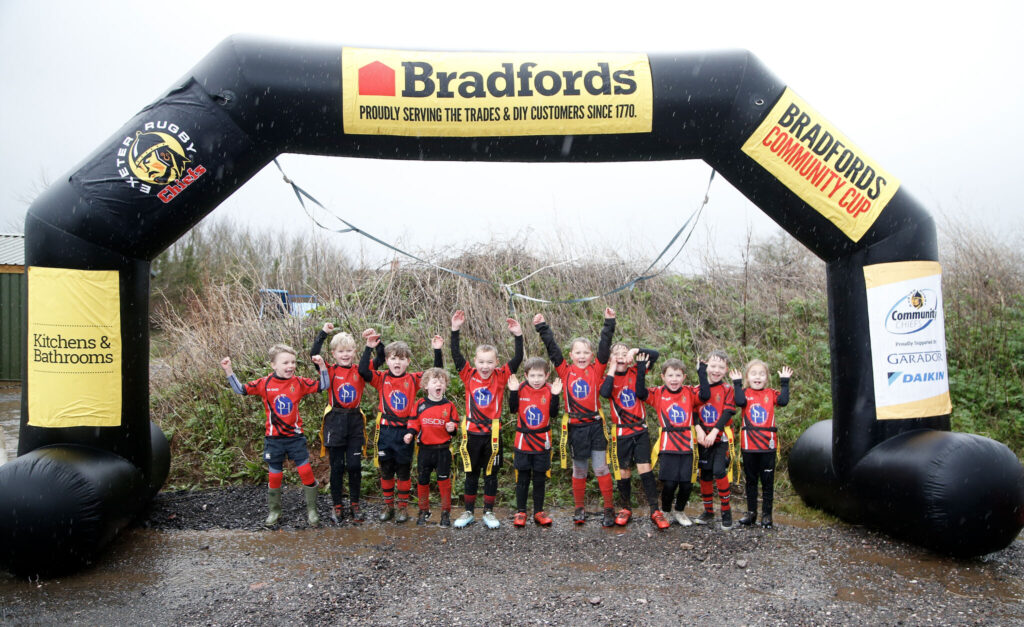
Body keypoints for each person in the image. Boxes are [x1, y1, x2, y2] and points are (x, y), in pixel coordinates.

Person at [220, 344, 329, 526]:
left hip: (295, 437)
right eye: (285, 362)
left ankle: (312, 511)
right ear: (273, 365)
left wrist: (322, 366)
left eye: (293, 362)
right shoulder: (265, 383)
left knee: (305, 471)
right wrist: (228, 370)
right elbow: (241, 390)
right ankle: (274, 511)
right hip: (274, 439)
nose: (290, 366)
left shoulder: (299, 382)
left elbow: (324, 385)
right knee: (275, 475)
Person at [534, 308, 616, 526]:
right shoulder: (565, 371)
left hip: (595, 425)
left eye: (586, 353)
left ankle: (609, 509)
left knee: (601, 468)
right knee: (579, 469)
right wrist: (542, 327)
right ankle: (579, 508)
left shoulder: (597, 369)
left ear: (591, 356)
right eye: (577, 353)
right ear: (571, 355)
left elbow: (605, 347)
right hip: (575, 427)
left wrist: (609, 322)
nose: (581, 356)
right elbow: (553, 349)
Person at [449, 310, 524, 529]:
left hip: (493, 434)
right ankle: (468, 512)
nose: (484, 366)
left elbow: (517, 359)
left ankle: (489, 512)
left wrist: (518, 336)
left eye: (489, 362)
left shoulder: (500, 376)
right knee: (470, 473)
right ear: (475, 361)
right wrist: (455, 330)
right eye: (481, 362)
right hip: (471, 434)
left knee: (491, 474)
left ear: (496, 363)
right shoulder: (468, 374)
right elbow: (455, 355)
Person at [359, 331, 444, 523]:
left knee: (403, 470)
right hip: (385, 431)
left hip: (405, 431)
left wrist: (437, 350)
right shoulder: (381, 378)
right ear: (387, 361)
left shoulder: (413, 379)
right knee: (386, 469)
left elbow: (436, 373)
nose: (397, 362)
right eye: (393, 358)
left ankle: (403, 507)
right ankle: (388, 505)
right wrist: (369, 347)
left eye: (402, 359)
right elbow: (363, 371)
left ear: (408, 362)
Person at [310, 323, 385, 524]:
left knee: (354, 465)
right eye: (341, 351)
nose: (345, 355)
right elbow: (314, 355)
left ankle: (355, 504)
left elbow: (381, 358)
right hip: (335, 419)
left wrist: (375, 342)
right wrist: (323, 333)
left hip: (354, 420)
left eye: (349, 351)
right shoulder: (329, 370)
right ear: (334, 354)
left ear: (354, 351)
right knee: (337, 466)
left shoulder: (360, 369)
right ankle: (337, 505)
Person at [599, 344, 666, 528]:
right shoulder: (608, 378)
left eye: (624, 353)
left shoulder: (637, 370)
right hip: (621, 432)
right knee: (624, 471)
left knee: (645, 468)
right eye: (617, 354)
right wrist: (612, 367)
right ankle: (626, 508)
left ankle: (655, 510)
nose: (621, 356)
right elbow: (605, 393)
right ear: (610, 359)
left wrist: (635, 351)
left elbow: (655, 354)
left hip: (640, 430)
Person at [638, 357, 701, 529]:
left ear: (684, 377)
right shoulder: (658, 393)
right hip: (668, 445)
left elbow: (705, 395)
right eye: (670, 375)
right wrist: (641, 368)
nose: (674, 379)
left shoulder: (689, 392)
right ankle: (665, 510)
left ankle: (679, 510)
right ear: (663, 377)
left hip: (687, 445)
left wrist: (701, 371)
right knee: (670, 483)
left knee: (687, 483)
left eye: (678, 375)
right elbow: (640, 393)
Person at [734, 360, 792, 529]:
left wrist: (785, 382)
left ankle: (767, 515)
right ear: (747, 377)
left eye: (761, 374)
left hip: (768, 446)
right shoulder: (744, 393)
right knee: (751, 481)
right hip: (749, 446)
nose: (757, 377)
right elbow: (739, 402)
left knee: (767, 481)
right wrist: (737, 383)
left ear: (766, 378)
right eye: (753, 374)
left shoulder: (770, 393)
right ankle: (751, 513)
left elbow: (783, 401)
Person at [506, 359, 562, 527]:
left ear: (547, 375)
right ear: (526, 375)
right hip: (523, 442)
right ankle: (521, 512)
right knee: (522, 478)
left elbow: (553, 414)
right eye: (532, 375)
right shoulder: (521, 388)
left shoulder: (550, 389)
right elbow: (512, 409)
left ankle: (538, 512)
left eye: (540, 376)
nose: (536, 379)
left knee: (539, 479)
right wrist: (513, 392)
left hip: (542, 443)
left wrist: (556, 396)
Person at [404, 368, 460, 527]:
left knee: (444, 481)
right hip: (424, 450)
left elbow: (455, 425)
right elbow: (413, 422)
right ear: (425, 386)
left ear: (445, 386)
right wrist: (410, 433)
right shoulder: (420, 404)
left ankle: (445, 512)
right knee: (423, 480)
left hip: (443, 450)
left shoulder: (449, 406)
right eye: (434, 381)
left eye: (442, 382)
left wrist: (452, 428)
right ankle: (424, 510)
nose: (438, 384)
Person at [693, 350, 743, 530]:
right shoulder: (697, 389)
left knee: (719, 471)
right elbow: (692, 411)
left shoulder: (727, 389)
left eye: (721, 367)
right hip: (702, 437)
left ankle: (726, 511)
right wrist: (698, 429)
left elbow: (728, 412)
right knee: (705, 473)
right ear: (706, 367)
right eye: (713, 366)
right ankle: (708, 511)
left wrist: (715, 432)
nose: (716, 370)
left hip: (721, 437)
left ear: (726, 369)